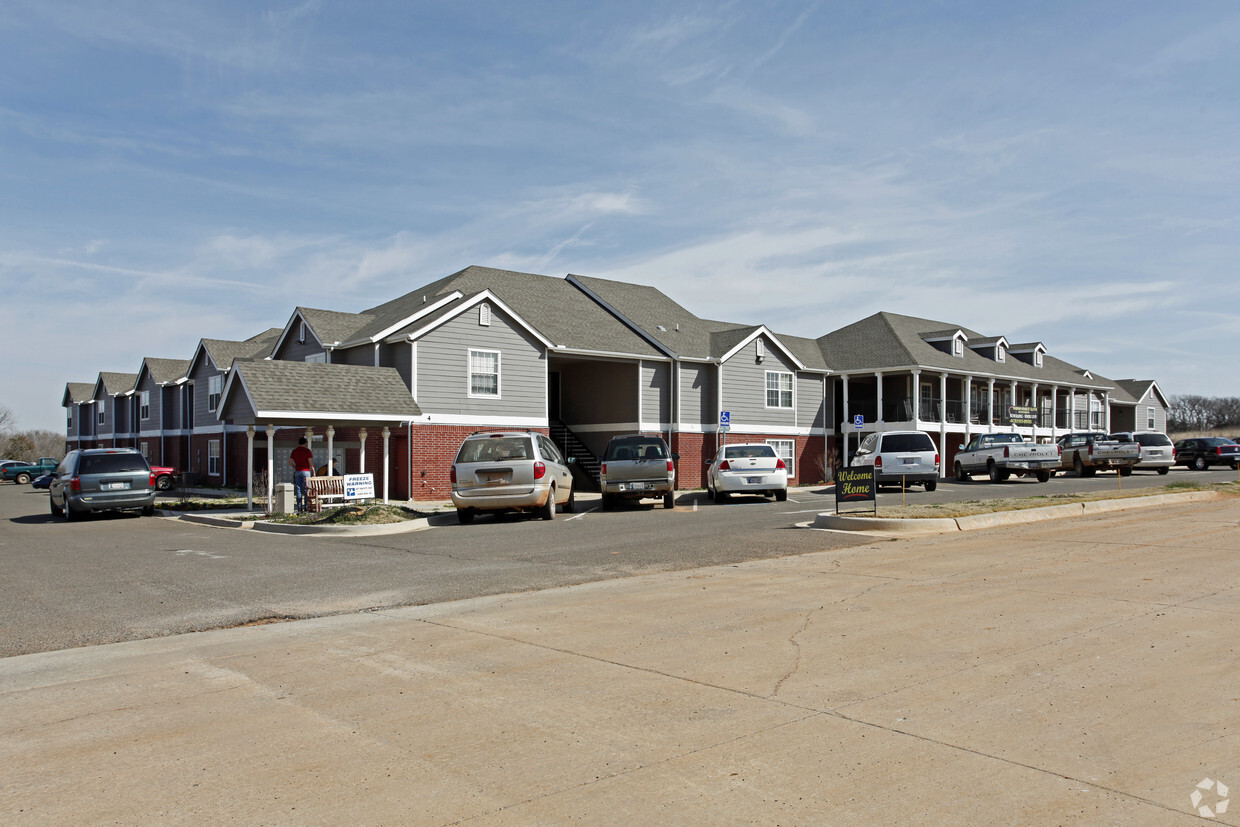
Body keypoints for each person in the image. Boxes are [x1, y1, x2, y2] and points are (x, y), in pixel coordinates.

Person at [290, 437, 314, 512]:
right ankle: (306, 506)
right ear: (305, 443)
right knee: (307, 489)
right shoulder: (307, 451)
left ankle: (299, 507)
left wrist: (295, 467)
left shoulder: (294, 451)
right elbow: (310, 462)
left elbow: (290, 462)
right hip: (306, 471)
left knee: (298, 489)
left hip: (297, 471)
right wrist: (313, 470)